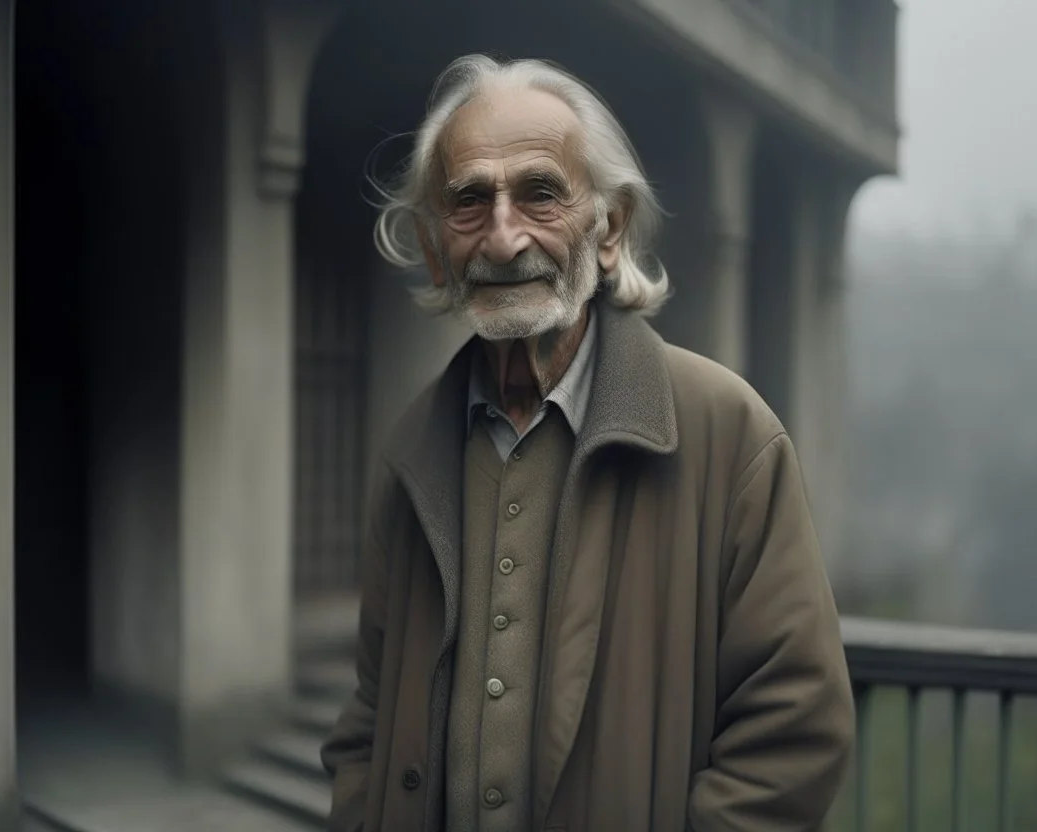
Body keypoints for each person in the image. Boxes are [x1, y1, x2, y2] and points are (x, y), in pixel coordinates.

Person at [321, 53, 854, 832]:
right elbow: (370, 711)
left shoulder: (729, 436)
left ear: (609, 230)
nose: (504, 239)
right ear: (437, 249)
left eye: (540, 193)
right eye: (470, 202)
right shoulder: (412, 452)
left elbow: (795, 731)